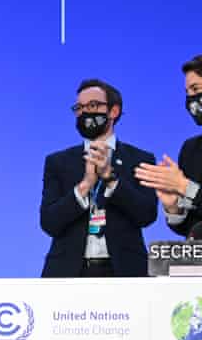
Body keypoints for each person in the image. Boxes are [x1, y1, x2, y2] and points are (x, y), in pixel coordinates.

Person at [40, 80, 157, 277]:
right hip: (68, 272)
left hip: (125, 271)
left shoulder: (140, 159)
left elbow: (147, 215)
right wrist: (85, 186)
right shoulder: (58, 162)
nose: (85, 113)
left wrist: (112, 180)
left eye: (93, 105)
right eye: (79, 108)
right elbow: (49, 222)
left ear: (113, 111)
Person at [135, 52, 202, 239]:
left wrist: (185, 187)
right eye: (187, 93)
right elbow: (192, 226)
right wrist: (173, 207)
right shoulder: (192, 148)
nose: (191, 100)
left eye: (196, 89)